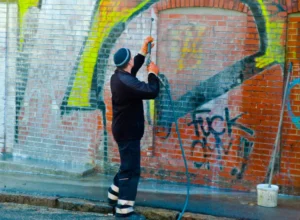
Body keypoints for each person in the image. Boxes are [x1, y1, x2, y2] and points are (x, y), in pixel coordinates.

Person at [108, 36, 160, 220]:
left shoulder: (119, 76)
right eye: (132, 58)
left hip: (124, 130)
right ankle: (124, 212)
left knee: (126, 166)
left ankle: (113, 196)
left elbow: (134, 68)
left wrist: (143, 51)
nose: (133, 61)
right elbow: (151, 91)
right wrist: (153, 74)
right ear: (127, 62)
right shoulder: (127, 82)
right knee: (131, 171)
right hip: (128, 132)